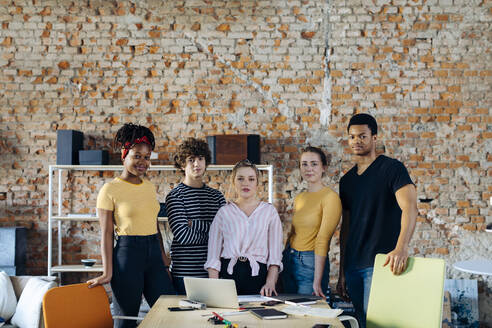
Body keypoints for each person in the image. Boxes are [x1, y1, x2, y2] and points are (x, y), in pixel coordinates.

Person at [87, 123, 174, 328]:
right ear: (124, 155)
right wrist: (107, 272)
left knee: (170, 314)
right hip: (127, 256)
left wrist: (163, 263)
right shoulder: (109, 190)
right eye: (137, 155)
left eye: (146, 157)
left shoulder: (149, 187)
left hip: (154, 255)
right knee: (126, 320)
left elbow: (155, 226)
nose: (142, 162)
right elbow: (107, 233)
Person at [337, 113, 418, 328]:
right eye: (352, 137)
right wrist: (342, 271)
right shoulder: (346, 181)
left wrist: (402, 247)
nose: (356, 141)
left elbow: (410, 208)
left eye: (362, 136)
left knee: (380, 324)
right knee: (361, 323)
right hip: (353, 265)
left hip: (381, 263)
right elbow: (346, 228)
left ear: (374, 138)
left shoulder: (392, 169)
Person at [205, 160, 283, 296]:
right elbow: (213, 256)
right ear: (233, 182)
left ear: (257, 183)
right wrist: (215, 288)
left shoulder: (269, 212)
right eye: (240, 178)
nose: (245, 183)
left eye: (251, 179)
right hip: (229, 276)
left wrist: (270, 282)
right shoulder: (224, 213)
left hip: (259, 278)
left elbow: (275, 256)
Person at [166, 137, 226, 294]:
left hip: (214, 273)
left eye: (200, 159)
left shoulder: (217, 196)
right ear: (182, 164)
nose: (196, 164)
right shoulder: (175, 196)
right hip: (185, 275)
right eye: (191, 160)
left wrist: (195, 224)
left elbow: (226, 233)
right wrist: (214, 232)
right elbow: (184, 236)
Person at [282, 146, 342, 298]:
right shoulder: (300, 198)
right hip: (290, 258)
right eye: (304, 164)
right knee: (288, 313)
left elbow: (323, 240)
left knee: (307, 315)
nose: (309, 168)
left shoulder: (330, 197)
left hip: (310, 264)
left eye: (314, 164)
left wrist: (317, 279)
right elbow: (293, 234)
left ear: (323, 168)